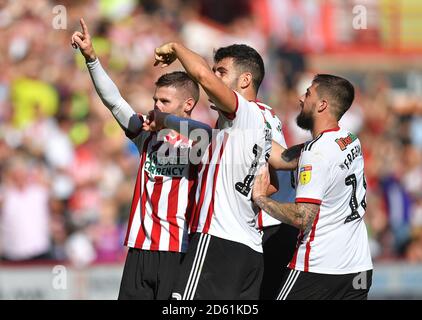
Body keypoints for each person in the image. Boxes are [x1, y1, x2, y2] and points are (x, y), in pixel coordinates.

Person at [152, 42, 297, 299]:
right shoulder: (249, 123)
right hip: (248, 243)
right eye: (215, 71)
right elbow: (275, 172)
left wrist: (176, 47)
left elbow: (202, 77)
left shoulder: (248, 112)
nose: (215, 77)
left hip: (221, 237)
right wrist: (165, 120)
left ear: (245, 80)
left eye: (221, 72)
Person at [71, 18, 202, 300]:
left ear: (188, 105)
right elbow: (115, 102)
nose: (156, 107)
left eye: (165, 102)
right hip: (139, 251)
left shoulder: (202, 143)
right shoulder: (147, 134)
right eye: (156, 100)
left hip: (178, 252)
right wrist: (92, 59)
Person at [252, 74, 373, 300]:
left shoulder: (314, 153)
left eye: (308, 94)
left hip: (319, 268)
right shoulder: (350, 139)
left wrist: (261, 199)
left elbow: (302, 218)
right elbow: (289, 156)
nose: (301, 98)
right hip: (358, 266)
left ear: (322, 104)